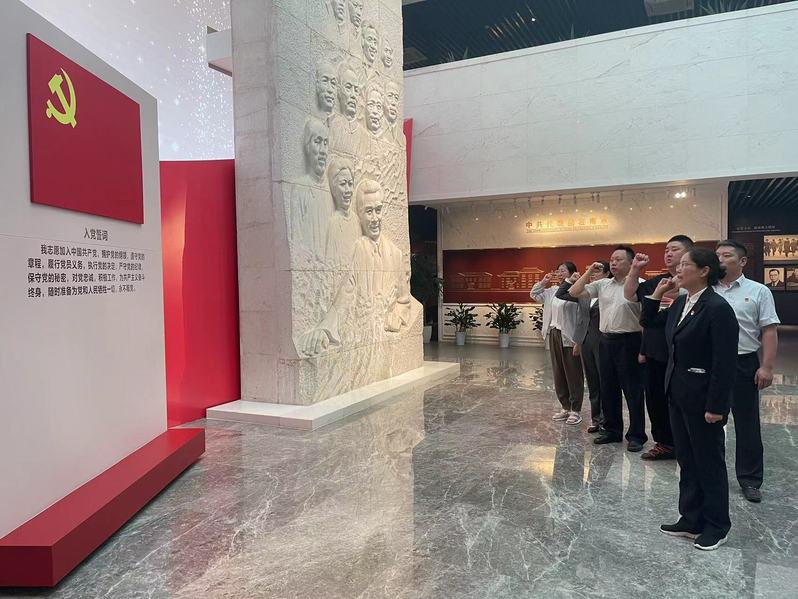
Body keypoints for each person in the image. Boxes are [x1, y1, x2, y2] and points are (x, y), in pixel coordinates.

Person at [642, 247, 739, 551]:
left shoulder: (717, 308)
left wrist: (717, 406)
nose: (678, 269)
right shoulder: (681, 302)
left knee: (708, 461)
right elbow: (649, 322)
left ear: (704, 270)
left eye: (685, 264)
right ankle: (691, 517)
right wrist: (658, 293)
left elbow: (724, 362)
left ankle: (717, 525)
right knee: (687, 460)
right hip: (678, 393)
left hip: (703, 399)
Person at [561, 246, 647, 451]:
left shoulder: (641, 285)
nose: (614, 263)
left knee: (633, 390)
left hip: (630, 341)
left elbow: (646, 319)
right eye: (612, 259)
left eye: (619, 259)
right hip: (605, 341)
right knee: (608, 387)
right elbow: (574, 291)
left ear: (631, 263)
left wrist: (644, 348)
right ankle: (612, 430)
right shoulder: (602, 284)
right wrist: (589, 271)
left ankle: (636, 435)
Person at [715, 240, 780, 503]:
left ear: (742, 261)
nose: (720, 260)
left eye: (726, 255)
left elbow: (769, 330)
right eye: (717, 255)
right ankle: (713, 474)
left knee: (747, 424)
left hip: (743, 363)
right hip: (710, 365)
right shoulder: (707, 289)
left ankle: (750, 479)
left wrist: (766, 366)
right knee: (711, 421)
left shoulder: (758, 291)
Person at [624, 235, 694, 460]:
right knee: (655, 399)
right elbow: (630, 295)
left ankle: (686, 441)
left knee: (682, 400)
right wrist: (635, 269)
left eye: (675, 249)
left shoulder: (696, 285)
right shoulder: (657, 282)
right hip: (655, 353)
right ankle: (665, 442)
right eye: (666, 250)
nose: (669, 253)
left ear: (689, 254)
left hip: (683, 354)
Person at [531, 263, 589, 425]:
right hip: (554, 333)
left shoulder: (578, 291)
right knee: (559, 372)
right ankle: (565, 406)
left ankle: (575, 410)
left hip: (570, 335)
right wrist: (543, 282)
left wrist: (579, 340)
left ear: (572, 273)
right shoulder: (553, 291)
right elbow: (534, 294)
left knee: (573, 373)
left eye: (563, 270)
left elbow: (583, 316)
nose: (559, 273)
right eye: (558, 270)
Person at [558, 261, 610, 433]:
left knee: (605, 382)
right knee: (593, 382)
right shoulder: (585, 292)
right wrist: (578, 342)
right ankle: (596, 419)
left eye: (598, 271)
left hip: (605, 341)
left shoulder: (609, 292)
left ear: (607, 274)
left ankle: (608, 421)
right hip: (587, 341)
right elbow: (561, 294)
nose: (593, 274)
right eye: (591, 271)